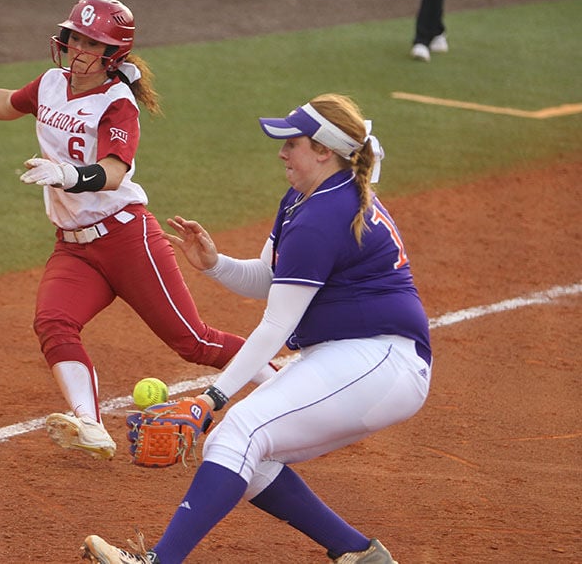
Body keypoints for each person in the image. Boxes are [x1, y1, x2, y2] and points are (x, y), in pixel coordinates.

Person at [0, 0, 275, 461]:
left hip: (127, 238)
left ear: (112, 53)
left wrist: (65, 175)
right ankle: (90, 424)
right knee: (54, 322)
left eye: (91, 42)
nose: (77, 48)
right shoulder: (51, 84)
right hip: (75, 247)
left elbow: (115, 171)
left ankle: (283, 386)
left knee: (193, 342)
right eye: (75, 37)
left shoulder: (119, 105)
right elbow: (8, 103)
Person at [82, 93, 432, 563]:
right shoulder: (306, 198)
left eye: (293, 143)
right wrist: (214, 264)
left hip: (380, 361)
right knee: (250, 452)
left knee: (237, 434)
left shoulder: (323, 214)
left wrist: (211, 400)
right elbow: (271, 278)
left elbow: (275, 323)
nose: (282, 153)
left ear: (324, 150)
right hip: (353, 356)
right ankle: (358, 555)